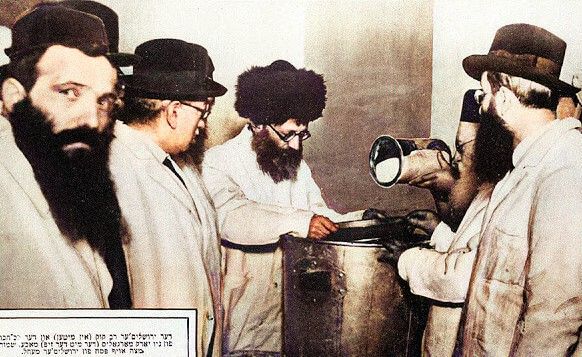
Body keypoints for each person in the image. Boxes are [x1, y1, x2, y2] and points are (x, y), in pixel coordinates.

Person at [201, 60, 362, 356]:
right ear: (258, 124)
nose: (297, 146)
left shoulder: (295, 166)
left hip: (295, 321)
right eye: (288, 134)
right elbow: (233, 216)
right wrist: (301, 222)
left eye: (303, 134)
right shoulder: (218, 162)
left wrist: (361, 220)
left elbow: (319, 216)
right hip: (244, 325)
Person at [456, 23, 582, 355]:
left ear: (508, 99)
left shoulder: (564, 169)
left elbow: (555, 319)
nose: (482, 104)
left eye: (486, 93)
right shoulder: (520, 167)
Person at [0, 6, 130, 308]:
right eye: (70, 92)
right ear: (15, 97)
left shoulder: (62, 176)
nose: (92, 120)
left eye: (103, 100)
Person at [109, 38, 227, 357]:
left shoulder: (179, 165)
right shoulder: (116, 169)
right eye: (202, 114)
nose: (203, 125)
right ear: (174, 112)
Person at [389, 90, 495, 356]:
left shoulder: (500, 194)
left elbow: (463, 276)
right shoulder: (485, 192)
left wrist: (407, 259)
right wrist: (439, 231)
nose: (456, 160)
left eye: (462, 150)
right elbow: (470, 247)